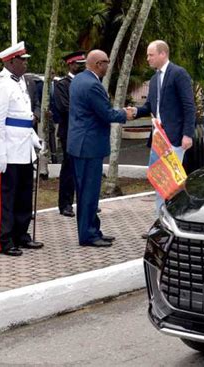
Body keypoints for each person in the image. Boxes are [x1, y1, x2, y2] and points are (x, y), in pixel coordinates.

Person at [68, 49, 133, 247]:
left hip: (81, 144)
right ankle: (88, 235)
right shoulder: (92, 85)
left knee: (87, 191)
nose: (108, 66)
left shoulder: (79, 80)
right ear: (98, 64)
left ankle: (92, 229)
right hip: (89, 146)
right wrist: (125, 114)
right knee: (89, 192)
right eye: (106, 62)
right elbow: (105, 113)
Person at [0, 41, 44, 257]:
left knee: (23, 195)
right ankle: (4, 240)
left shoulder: (20, 82)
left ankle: (21, 234)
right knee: (6, 197)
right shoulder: (0, 84)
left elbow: (24, 118)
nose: (25, 64)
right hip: (8, 151)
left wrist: (34, 139)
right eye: (21, 60)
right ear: (10, 61)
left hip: (23, 147)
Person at [130, 40, 196, 213]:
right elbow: (150, 107)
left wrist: (187, 134)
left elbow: (189, 106)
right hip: (158, 139)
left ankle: (175, 218)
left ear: (163, 54)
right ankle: (160, 221)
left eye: (150, 55)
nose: (147, 59)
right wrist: (135, 111)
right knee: (160, 182)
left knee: (173, 183)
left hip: (175, 139)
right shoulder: (153, 80)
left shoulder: (178, 74)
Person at [54, 51, 86, 217]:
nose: (81, 66)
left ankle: (84, 202)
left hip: (85, 132)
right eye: (78, 64)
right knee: (69, 169)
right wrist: (86, 113)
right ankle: (65, 204)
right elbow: (64, 107)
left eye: (83, 63)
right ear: (70, 65)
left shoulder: (87, 82)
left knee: (84, 170)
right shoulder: (62, 84)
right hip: (69, 132)